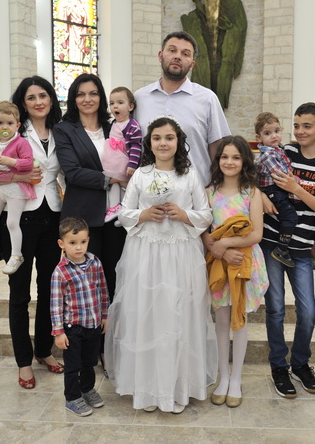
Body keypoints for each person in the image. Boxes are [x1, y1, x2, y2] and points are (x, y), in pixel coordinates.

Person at [105, 116, 216, 414]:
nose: (163, 143)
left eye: (169, 137)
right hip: (146, 253)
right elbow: (124, 212)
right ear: (149, 143)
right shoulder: (141, 175)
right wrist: (143, 215)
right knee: (148, 315)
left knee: (178, 316)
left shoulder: (189, 175)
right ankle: (148, 390)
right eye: (157, 138)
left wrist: (184, 214)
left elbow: (205, 214)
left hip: (180, 252)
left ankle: (177, 389)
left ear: (178, 142)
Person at [0, 75, 65, 389]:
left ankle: (43, 350)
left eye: (43, 95)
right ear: (22, 103)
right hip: (20, 214)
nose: (38, 102)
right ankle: (23, 361)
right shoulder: (10, 131)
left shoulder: (61, 130)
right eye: (31, 97)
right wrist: (20, 177)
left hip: (52, 213)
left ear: (51, 99)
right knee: (20, 292)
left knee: (49, 288)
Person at [260, 102, 315, 398]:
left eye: (307, 126)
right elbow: (255, 176)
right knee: (276, 309)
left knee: (308, 311)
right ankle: (279, 366)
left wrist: (296, 189)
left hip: (302, 246)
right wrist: (259, 194)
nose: (300, 131)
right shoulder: (284, 151)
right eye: (296, 125)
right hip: (271, 241)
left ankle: (301, 363)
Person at [54, 73, 128, 376]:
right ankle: (90, 350)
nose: (88, 99)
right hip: (84, 218)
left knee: (113, 280)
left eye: (94, 93)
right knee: (86, 286)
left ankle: (110, 348)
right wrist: (112, 178)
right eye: (81, 94)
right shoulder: (64, 129)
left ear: (101, 97)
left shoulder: (115, 126)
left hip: (117, 217)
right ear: (74, 98)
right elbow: (72, 172)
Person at [203, 135, 268, 408]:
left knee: (239, 319)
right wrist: (217, 248)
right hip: (218, 264)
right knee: (221, 320)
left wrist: (227, 244)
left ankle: (237, 379)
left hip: (243, 262)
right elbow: (204, 231)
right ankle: (223, 377)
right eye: (225, 157)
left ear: (244, 161)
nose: (229, 162)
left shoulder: (251, 193)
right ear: (218, 160)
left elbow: (256, 233)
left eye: (236, 157)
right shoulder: (209, 192)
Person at [134, 31, 231, 185]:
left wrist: (216, 188)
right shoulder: (139, 98)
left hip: (196, 191)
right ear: (160, 56)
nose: (177, 56)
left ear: (192, 64)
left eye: (185, 54)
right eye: (172, 50)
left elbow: (218, 148)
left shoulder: (207, 99)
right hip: (148, 191)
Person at [50, 217, 109, 417]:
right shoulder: (60, 272)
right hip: (72, 327)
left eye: (83, 242)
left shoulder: (95, 263)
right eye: (73, 243)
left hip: (93, 324)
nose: (78, 247)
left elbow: (103, 290)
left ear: (88, 240)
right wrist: (58, 332)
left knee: (89, 362)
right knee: (73, 365)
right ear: (62, 244)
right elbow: (55, 304)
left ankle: (87, 389)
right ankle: (72, 398)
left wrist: (104, 315)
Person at [0, 101, 36, 276]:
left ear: (17, 125)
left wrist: (12, 161)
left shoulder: (21, 142)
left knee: (12, 222)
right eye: (0, 123)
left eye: (10, 123)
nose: (5, 127)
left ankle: (16, 255)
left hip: (16, 188)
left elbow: (28, 163)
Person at [253, 112, 297, 267]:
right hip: (273, 190)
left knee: (286, 215)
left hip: (277, 188)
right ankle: (281, 249)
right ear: (258, 137)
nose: (274, 136)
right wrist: (298, 183)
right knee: (290, 217)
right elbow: (281, 175)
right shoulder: (268, 155)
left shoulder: (278, 149)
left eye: (277, 131)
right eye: (267, 133)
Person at [102, 86, 142, 221]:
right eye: (112, 103)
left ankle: (126, 212)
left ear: (130, 106)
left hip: (124, 161)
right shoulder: (113, 123)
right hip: (112, 160)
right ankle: (114, 208)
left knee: (127, 187)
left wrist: (132, 164)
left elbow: (136, 146)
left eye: (120, 103)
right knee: (113, 182)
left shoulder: (132, 126)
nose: (115, 106)